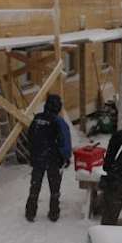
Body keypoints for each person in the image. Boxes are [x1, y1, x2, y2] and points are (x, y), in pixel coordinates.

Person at [25, 94, 71, 222]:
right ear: (58, 107)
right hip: (53, 159)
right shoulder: (58, 121)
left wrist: (32, 154)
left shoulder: (36, 119)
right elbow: (65, 141)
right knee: (54, 188)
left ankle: (30, 212)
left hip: (38, 158)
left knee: (35, 186)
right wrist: (66, 157)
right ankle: (54, 213)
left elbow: (29, 138)